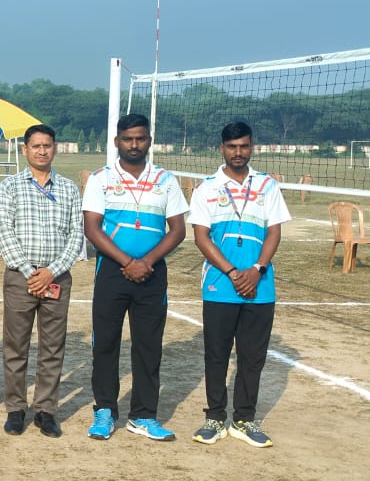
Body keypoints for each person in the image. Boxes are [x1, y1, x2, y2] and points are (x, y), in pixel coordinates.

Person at [82, 113, 188, 441]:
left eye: (140, 138)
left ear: (149, 141)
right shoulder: (100, 179)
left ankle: (143, 415)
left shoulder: (165, 180)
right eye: (127, 139)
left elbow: (178, 230)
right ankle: (104, 410)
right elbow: (92, 229)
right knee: (105, 343)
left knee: (148, 346)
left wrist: (147, 262)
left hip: (152, 274)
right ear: (117, 141)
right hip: (112, 272)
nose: (134, 144)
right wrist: (128, 261)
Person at [188, 121, 290, 448]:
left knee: (252, 357)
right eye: (232, 146)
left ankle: (244, 419)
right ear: (222, 148)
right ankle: (215, 418)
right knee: (217, 355)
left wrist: (257, 269)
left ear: (251, 147)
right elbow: (201, 237)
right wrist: (233, 273)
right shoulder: (206, 188)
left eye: (244, 146)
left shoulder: (267, 186)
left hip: (260, 285)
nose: (238, 152)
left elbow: (274, 232)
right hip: (220, 284)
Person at [0, 125, 83, 439]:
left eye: (47, 145)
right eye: (36, 146)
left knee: (52, 347)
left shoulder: (69, 188)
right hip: (21, 278)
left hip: (57, 278)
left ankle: (46, 410)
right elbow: (4, 231)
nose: (42, 151)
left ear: (54, 148)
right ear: (25, 150)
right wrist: (30, 271)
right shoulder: (10, 186)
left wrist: (51, 272)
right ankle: (16, 408)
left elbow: (76, 235)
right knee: (15, 346)